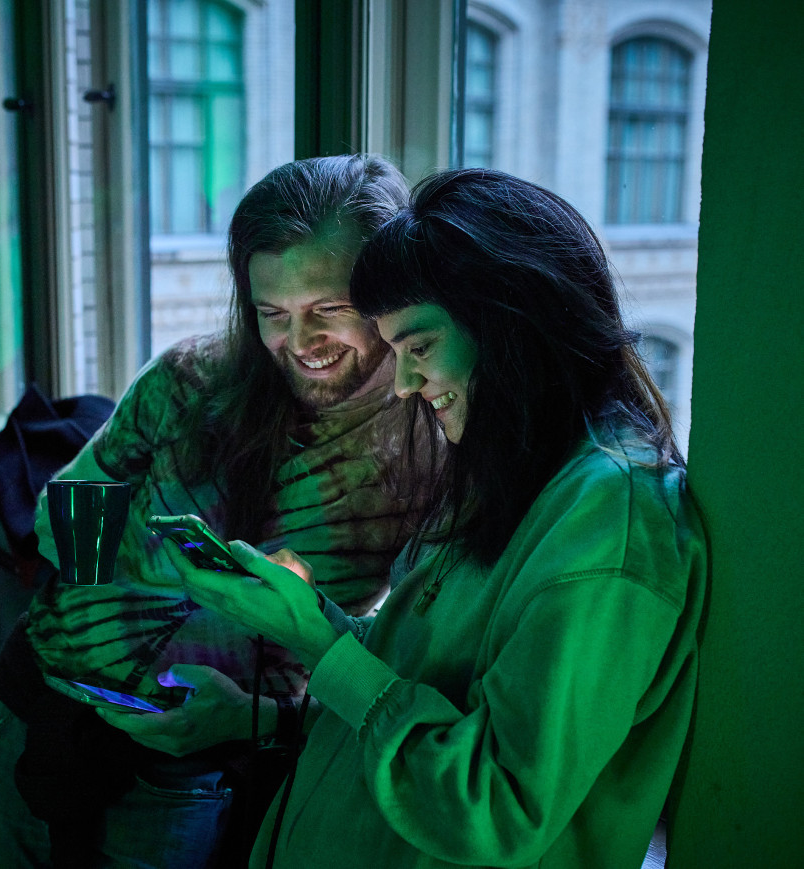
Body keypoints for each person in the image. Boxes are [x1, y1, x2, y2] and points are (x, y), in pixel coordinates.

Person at [175, 168, 708, 868]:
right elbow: (420, 683)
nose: (403, 384)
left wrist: (317, 642)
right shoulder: (516, 473)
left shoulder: (609, 533)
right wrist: (307, 620)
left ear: (510, 327)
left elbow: (494, 808)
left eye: (419, 348)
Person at [0, 154, 424, 868]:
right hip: (32, 704)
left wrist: (257, 719)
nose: (298, 343)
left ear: (388, 291)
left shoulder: (428, 448)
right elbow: (75, 498)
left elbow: (398, 674)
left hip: (187, 771)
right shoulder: (193, 375)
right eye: (272, 314)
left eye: (329, 309)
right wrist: (117, 580)